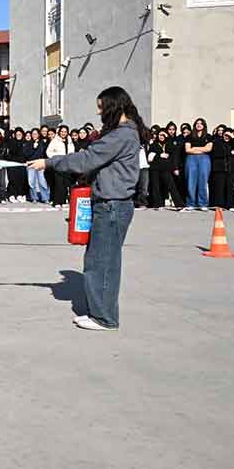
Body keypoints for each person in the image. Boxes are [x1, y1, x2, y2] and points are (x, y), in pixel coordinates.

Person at [27, 86, 145, 332]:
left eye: (101, 107)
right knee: (105, 261)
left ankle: (104, 318)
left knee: (100, 262)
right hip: (114, 204)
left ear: (114, 106)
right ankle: (101, 313)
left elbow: (86, 159)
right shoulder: (126, 133)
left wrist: (48, 163)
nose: (98, 111)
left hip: (111, 206)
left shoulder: (120, 135)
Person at [147, 130, 183, 208]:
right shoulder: (154, 144)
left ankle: (179, 204)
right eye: (160, 135)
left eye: (164, 135)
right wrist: (160, 155)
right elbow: (150, 157)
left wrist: (174, 168)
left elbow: (173, 155)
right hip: (155, 168)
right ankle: (157, 204)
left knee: (171, 186)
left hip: (166, 168)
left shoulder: (169, 144)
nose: (162, 137)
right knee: (155, 186)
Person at [183, 118, 213, 210]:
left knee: (203, 181)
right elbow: (187, 150)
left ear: (204, 125)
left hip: (204, 159)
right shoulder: (190, 136)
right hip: (191, 159)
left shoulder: (208, 136)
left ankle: (203, 203)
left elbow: (208, 149)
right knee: (191, 181)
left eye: (201, 123)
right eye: (197, 123)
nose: (199, 125)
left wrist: (195, 148)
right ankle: (190, 203)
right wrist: (201, 149)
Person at [46, 124, 76, 207]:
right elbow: (48, 152)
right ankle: (57, 202)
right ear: (59, 132)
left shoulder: (69, 141)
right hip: (58, 164)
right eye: (62, 131)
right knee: (58, 183)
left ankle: (63, 201)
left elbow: (72, 151)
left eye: (65, 132)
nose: (63, 133)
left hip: (67, 165)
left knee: (65, 184)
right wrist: (56, 157)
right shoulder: (55, 141)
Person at [23, 130, 50, 203]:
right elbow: (26, 154)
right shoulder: (28, 143)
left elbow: (44, 154)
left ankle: (45, 198)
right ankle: (34, 197)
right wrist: (33, 148)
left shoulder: (42, 143)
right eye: (33, 134)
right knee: (31, 182)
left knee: (42, 181)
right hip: (31, 165)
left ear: (38, 134)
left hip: (40, 164)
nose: (34, 135)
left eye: (36, 134)